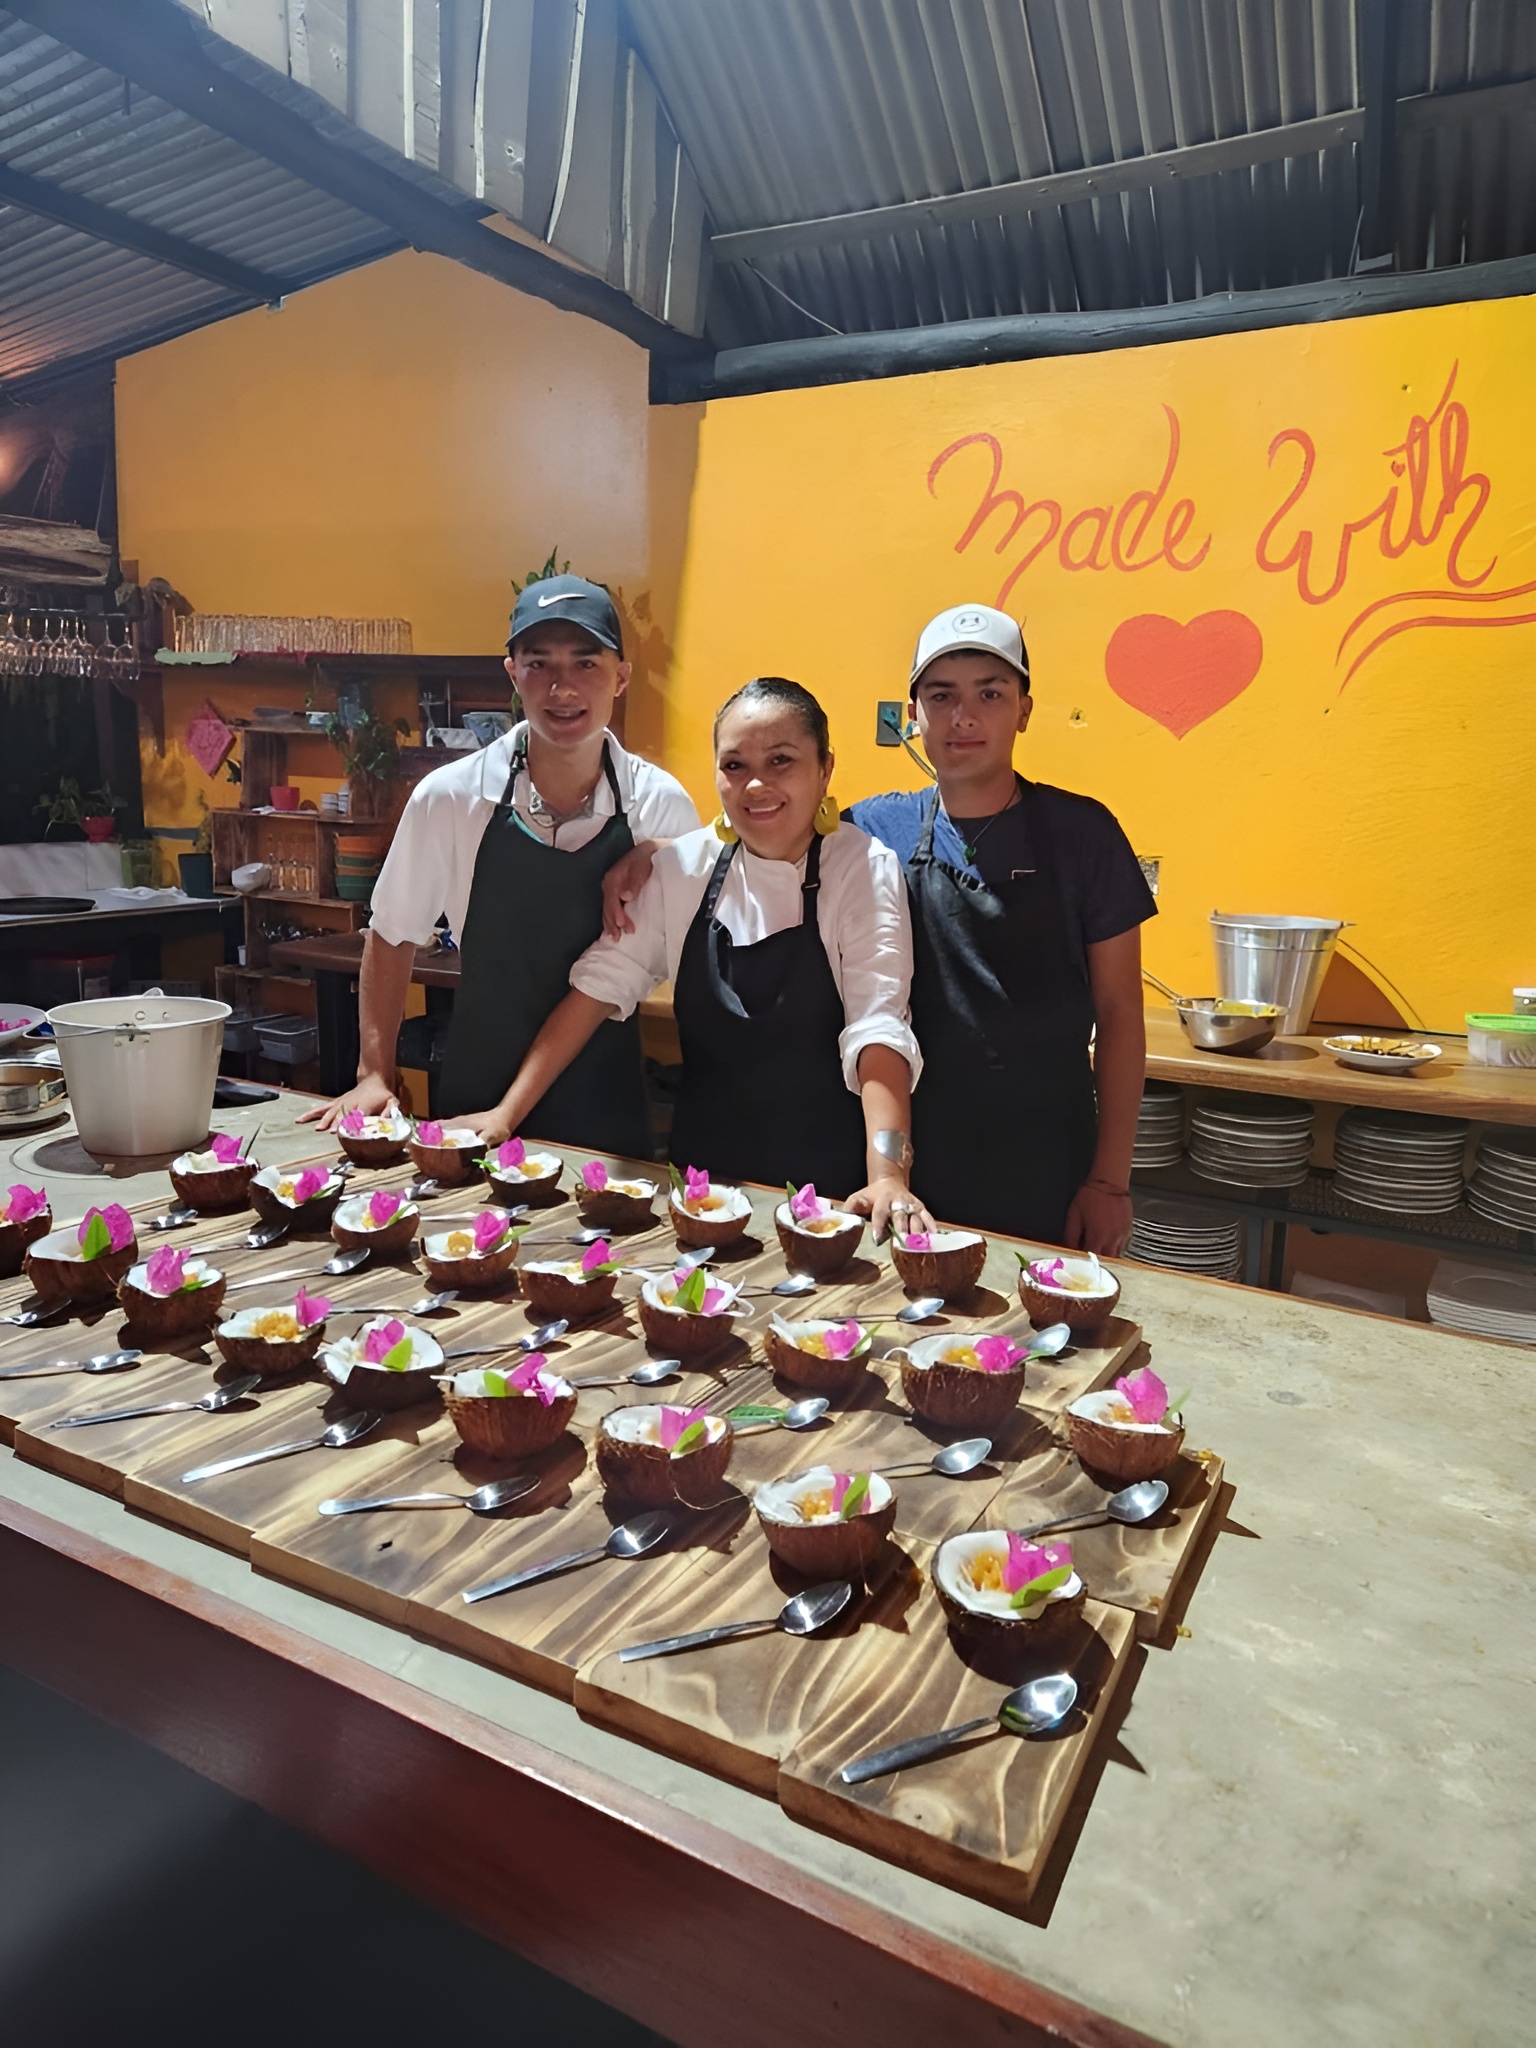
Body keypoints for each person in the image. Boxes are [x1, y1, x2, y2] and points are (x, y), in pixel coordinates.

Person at [457, 678, 931, 1239]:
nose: (756, 784)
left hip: (829, 1197)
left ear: (825, 769)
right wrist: (504, 1115)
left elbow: (878, 1026)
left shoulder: (861, 867)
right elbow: (597, 988)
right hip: (702, 1191)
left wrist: (887, 1176)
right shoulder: (684, 869)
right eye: (734, 765)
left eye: (781, 760)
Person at [303, 575, 698, 1157]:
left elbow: (701, 920)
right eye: (540, 664)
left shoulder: (658, 805)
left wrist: (664, 851)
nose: (563, 687)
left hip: (606, 1107)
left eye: (586, 663)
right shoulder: (450, 798)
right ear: (512, 674)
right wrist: (374, 1075)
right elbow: (391, 935)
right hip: (475, 1097)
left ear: (621, 676)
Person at [846, 604, 1154, 1254]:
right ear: (914, 713)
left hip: (1049, 1158)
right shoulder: (870, 830)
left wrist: (1110, 1182)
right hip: (912, 1161)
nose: (964, 716)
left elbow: (1122, 1012)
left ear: (1024, 710)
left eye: (990, 693)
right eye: (942, 695)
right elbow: (757, 836)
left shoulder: (1085, 835)